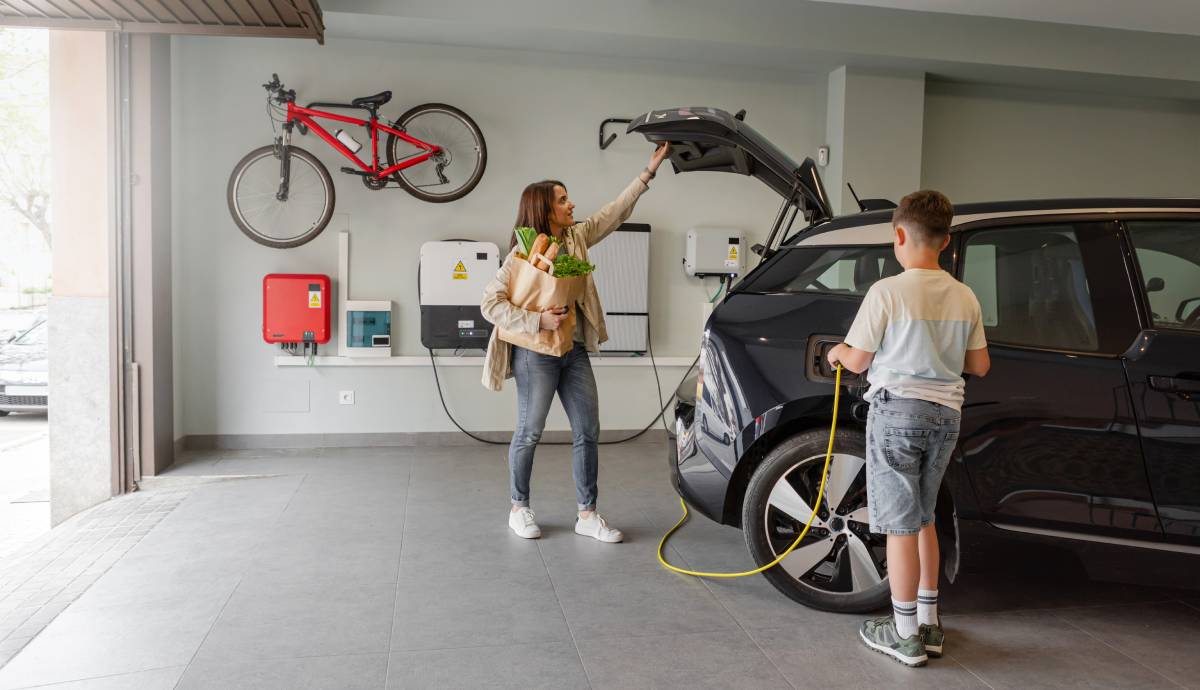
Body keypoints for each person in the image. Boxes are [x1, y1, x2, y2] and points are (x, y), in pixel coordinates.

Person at [826, 190, 990, 667]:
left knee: (898, 526)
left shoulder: (887, 291)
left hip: (898, 415)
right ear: (945, 241)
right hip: (946, 417)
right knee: (923, 518)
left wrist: (838, 352)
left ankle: (902, 635)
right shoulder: (965, 295)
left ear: (899, 236)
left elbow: (857, 358)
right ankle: (929, 624)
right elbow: (979, 365)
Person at [481, 143, 671, 542]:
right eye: (563, 200)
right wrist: (538, 319)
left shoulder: (577, 238)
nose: (572, 205)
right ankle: (519, 508)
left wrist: (647, 174)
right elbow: (490, 304)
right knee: (529, 432)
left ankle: (587, 514)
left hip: (574, 350)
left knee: (588, 430)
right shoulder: (520, 253)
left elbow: (613, 213)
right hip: (535, 355)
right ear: (544, 210)